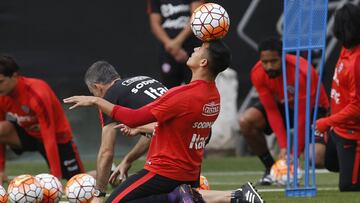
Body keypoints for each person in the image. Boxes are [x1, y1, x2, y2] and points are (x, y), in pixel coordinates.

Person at [64, 40, 264, 203]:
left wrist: (96, 100)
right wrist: (144, 131)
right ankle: (235, 196)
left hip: (164, 170)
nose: (194, 48)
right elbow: (179, 125)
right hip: (190, 169)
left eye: (200, 48)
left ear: (203, 63)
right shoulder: (212, 96)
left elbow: (132, 118)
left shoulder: (181, 94)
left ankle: (182, 195)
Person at [239, 38, 330, 185]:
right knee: (246, 121)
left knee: (316, 157)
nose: (269, 66)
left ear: (283, 57)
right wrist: (284, 147)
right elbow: (272, 110)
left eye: (273, 61)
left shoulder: (301, 72)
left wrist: (294, 154)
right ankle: (271, 169)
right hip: (285, 105)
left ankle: (345, 159)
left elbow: (302, 116)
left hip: (313, 110)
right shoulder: (257, 73)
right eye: (265, 62)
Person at [82, 60, 168, 203]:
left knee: (117, 200)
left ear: (97, 87)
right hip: (196, 135)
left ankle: (176, 195)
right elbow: (157, 129)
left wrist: (99, 194)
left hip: (174, 148)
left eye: (93, 93)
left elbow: (106, 152)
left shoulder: (110, 97)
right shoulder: (144, 79)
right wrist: (128, 160)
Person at [0, 55, 84, 184]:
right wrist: (1, 170)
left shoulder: (37, 93)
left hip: (56, 138)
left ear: (14, 75)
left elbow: (49, 137)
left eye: (1, 82)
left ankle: (110, 173)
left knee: (79, 182)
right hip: (29, 135)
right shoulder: (2, 96)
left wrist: (55, 177)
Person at [315, 3, 360, 191]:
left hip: (354, 133)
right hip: (339, 129)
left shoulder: (356, 62)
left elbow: (357, 107)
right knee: (325, 161)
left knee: (348, 187)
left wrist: (327, 121)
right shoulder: (345, 48)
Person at [147, 0, 203, 88]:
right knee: (169, 90)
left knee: (196, 88)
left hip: (192, 50)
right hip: (168, 51)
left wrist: (176, 43)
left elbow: (197, 18)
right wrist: (172, 46)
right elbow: (154, 24)